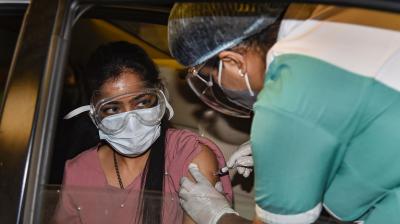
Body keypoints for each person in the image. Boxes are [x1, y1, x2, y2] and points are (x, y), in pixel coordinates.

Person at [168, 2, 400, 224]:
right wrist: (292, 150)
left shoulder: (286, 98)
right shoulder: (326, 22)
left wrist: (216, 215)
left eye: (212, 77)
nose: (218, 87)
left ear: (234, 62)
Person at [52, 41, 233, 224]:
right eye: (113, 109)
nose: (131, 121)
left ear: (160, 95)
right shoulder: (79, 171)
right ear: (94, 113)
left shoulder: (189, 157)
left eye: (142, 102)